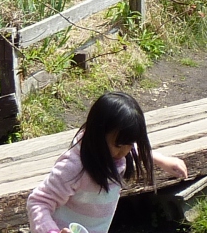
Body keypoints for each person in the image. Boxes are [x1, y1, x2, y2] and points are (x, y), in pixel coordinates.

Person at [27, 92, 188, 233]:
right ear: (97, 135)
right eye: (118, 145)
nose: (124, 152)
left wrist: (161, 160)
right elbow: (38, 202)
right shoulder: (73, 168)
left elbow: (130, 147)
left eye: (129, 144)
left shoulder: (116, 153)